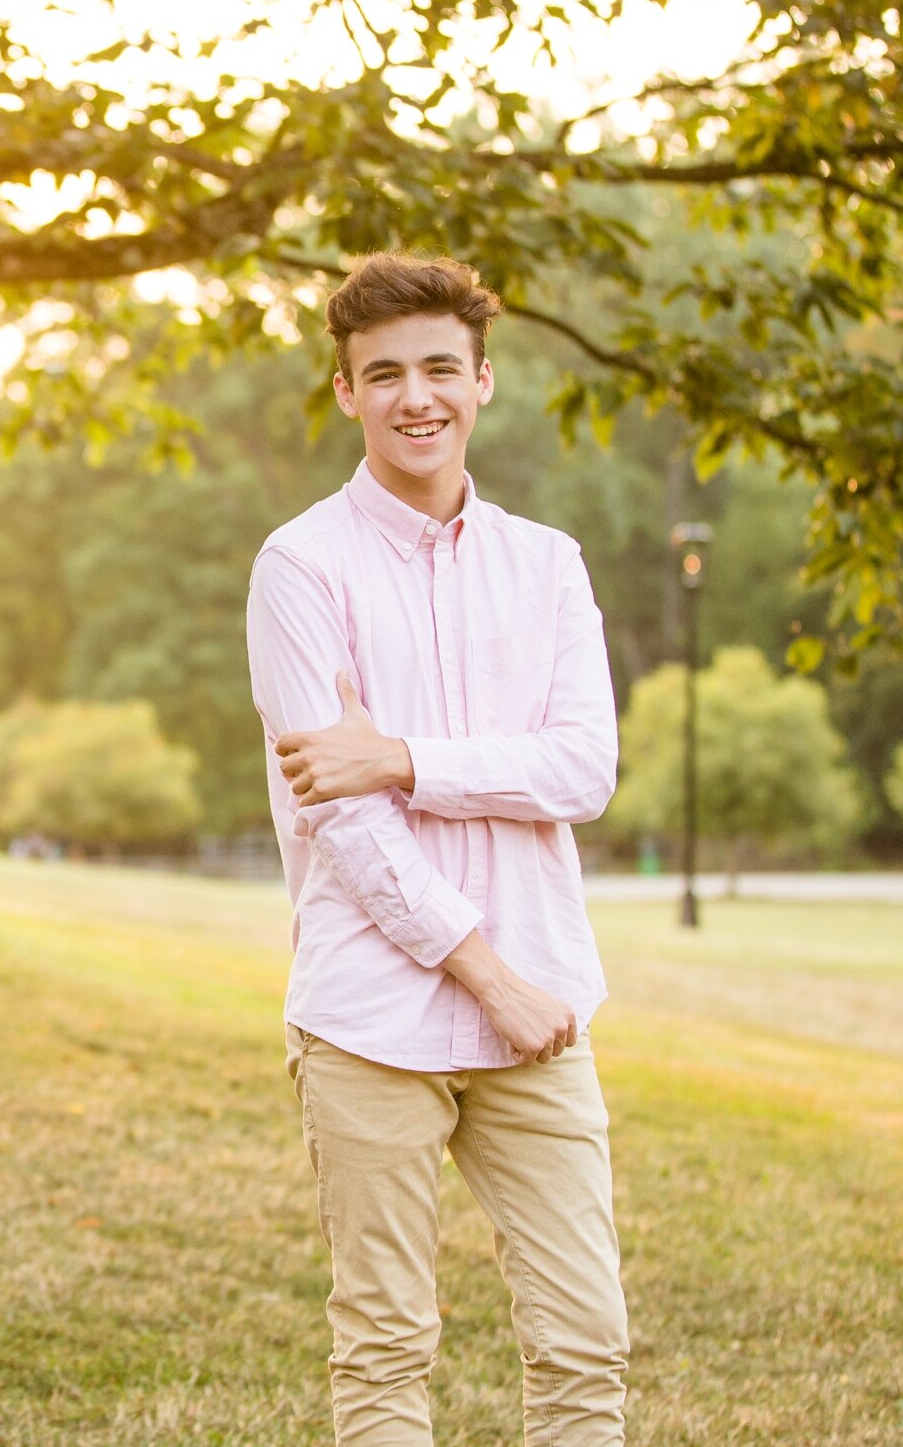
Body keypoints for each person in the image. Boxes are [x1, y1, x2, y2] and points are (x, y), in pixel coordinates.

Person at [245, 252, 628, 1446]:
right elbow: (338, 818)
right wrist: (489, 973)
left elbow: (582, 768)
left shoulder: (546, 563)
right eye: (385, 373)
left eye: (439, 369)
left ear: (483, 379)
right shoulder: (299, 566)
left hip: (542, 1019)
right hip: (371, 1017)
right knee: (385, 1347)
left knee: (583, 1343)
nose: (418, 396)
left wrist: (404, 755)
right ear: (348, 392)